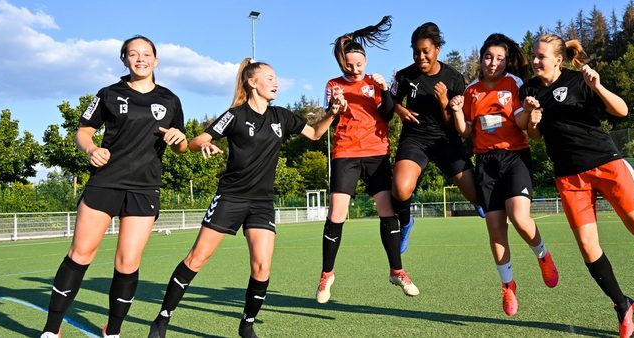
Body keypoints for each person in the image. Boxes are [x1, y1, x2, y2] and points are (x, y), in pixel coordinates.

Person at [520, 34, 634, 338]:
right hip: (568, 176)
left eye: (542, 56)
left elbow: (622, 111)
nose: (536, 61)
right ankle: (622, 304)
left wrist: (598, 87)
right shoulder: (527, 89)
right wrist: (532, 117)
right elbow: (536, 136)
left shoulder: (579, 80)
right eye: (534, 56)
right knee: (588, 247)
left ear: (558, 59)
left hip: (606, 163)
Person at [147, 59, 338, 338]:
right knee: (197, 258)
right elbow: (196, 141)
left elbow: (315, 133)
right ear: (252, 82)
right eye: (269, 77)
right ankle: (162, 319)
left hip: (261, 203)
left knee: (262, 266)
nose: (276, 82)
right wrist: (207, 144)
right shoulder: (235, 115)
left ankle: (246, 325)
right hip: (231, 197)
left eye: (276, 78)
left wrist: (332, 112)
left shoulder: (282, 116)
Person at [40, 35, 188, 338]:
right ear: (124, 60)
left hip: (144, 188)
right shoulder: (109, 93)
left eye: (146, 54)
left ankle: (113, 331)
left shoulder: (170, 100)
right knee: (81, 253)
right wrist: (91, 149)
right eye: (133, 54)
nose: (140, 59)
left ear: (156, 60)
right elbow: (83, 131)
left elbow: (181, 146)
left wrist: (179, 139)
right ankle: (51, 330)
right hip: (106, 182)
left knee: (128, 261)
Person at [448, 33, 560, 316]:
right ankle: (508, 286)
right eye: (488, 57)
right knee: (496, 229)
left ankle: (543, 255)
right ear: (481, 58)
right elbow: (467, 131)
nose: (493, 63)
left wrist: (530, 113)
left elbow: (521, 122)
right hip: (485, 163)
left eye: (499, 58)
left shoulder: (515, 84)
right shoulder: (472, 90)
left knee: (520, 218)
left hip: (514, 157)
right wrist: (459, 112)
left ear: (506, 61)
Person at [315, 16, 420, 304]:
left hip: (376, 153)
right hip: (345, 153)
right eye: (349, 65)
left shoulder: (375, 83)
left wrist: (385, 89)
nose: (355, 68)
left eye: (359, 63)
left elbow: (387, 114)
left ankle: (397, 271)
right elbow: (331, 114)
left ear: (365, 60)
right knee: (336, 213)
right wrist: (336, 106)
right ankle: (326, 275)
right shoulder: (333, 84)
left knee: (387, 211)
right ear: (342, 64)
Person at [390, 22, 482, 253]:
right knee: (401, 189)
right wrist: (399, 109)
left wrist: (443, 101)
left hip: (446, 141)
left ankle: (486, 207)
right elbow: (388, 100)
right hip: (415, 140)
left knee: (477, 196)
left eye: (425, 51)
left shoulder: (454, 78)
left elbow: (453, 125)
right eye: (415, 52)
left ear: (437, 49)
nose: (420, 57)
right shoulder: (404, 76)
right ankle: (406, 222)